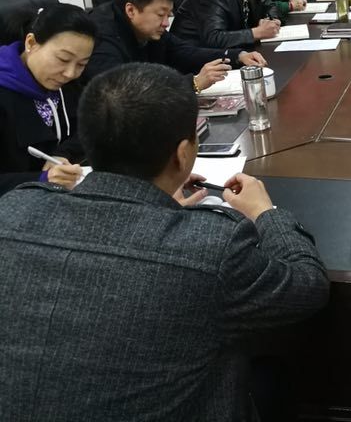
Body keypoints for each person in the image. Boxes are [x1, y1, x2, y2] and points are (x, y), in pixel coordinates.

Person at [0, 62, 329, 421]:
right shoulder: (210, 247)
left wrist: (159, 211)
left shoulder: (13, 210)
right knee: (276, 374)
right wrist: (266, 212)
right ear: (183, 153)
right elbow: (306, 286)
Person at [86, 0, 266, 92]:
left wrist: (236, 55)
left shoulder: (149, 29)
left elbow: (182, 51)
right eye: (160, 15)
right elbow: (122, 93)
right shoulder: (101, 37)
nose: (166, 23)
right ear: (131, 10)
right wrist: (193, 84)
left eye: (168, 15)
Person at [0, 4, 96, 195]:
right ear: (31, 43)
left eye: (81, 64)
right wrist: (42, 179)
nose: (70, 73)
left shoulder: (65, 82)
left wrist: (61, 154)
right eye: (63, 59)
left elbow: (87, 125)